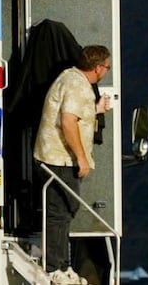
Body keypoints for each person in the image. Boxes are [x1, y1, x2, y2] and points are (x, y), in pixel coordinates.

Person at [32, 44, 113, 280]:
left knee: (66, 209)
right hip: (59, 159)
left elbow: (73, 113)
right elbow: (68, 121)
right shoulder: (77, 84)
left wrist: (95, 109)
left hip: (57, 157)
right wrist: (82, 157)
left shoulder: (71, 79)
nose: (106, 71)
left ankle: (62, 264)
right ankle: (54, 267)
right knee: (60, 211)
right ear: (98, 68)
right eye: (107, 67)